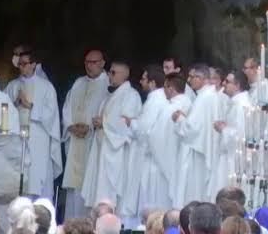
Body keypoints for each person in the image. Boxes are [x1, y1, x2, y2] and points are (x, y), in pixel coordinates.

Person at [80, 62, 142, 212]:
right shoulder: (111, 95)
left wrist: (104, 122)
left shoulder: (131, 96)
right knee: (100, 188)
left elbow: (128, 123)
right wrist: (99, 122)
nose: (109, 75)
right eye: (110, 72)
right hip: (103, 149)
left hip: (117, 153)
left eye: (114, 73)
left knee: (112, 193)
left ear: (124, 75)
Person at [4, 50, 63, 200]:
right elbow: (3, 110)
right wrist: (15, 104)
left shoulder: (46, 87)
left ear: (34, 64)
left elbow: (52, 114)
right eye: (20, 64)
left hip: (39, 139)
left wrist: (30, 106)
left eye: (24, 64)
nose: (21, 67)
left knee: (38, 175)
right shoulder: (12, 86)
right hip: (18, 138)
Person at [126, 70, 184, 216]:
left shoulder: (157, 101)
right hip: (166, 158)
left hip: (156, 160)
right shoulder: (170, 102)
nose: (141, 81)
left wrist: (131, 123)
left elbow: (147, 132)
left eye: (144, 79)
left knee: (153, 199)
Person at [62, 50, 111, 217]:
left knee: (91, 184)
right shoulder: (78, 82)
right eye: (87, 62)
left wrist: (90, 128)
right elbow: (67, 107)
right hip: (75, 140)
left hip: (92, 142)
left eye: (94, 62)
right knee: (75, 189)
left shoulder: (107, 84)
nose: (90, 66)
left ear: (103, 63)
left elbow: (107, 111)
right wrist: (70, 126)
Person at [172, 64, 229, 206]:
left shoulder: (204, 97)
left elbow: (192, 128)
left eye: (192, 77)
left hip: (199, 153)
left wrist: (179, 119)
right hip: (206, 149)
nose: (189, 80)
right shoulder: (210, 95)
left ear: (201, 78)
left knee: (195, 189)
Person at [210, 70, 253, 197]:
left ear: (237, 85)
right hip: (227, 156)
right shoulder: (235, 102)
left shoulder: (241, 105)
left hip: (234, 159)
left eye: (227, 82)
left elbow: (241, 135)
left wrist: (223, 129)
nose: (223, 83)